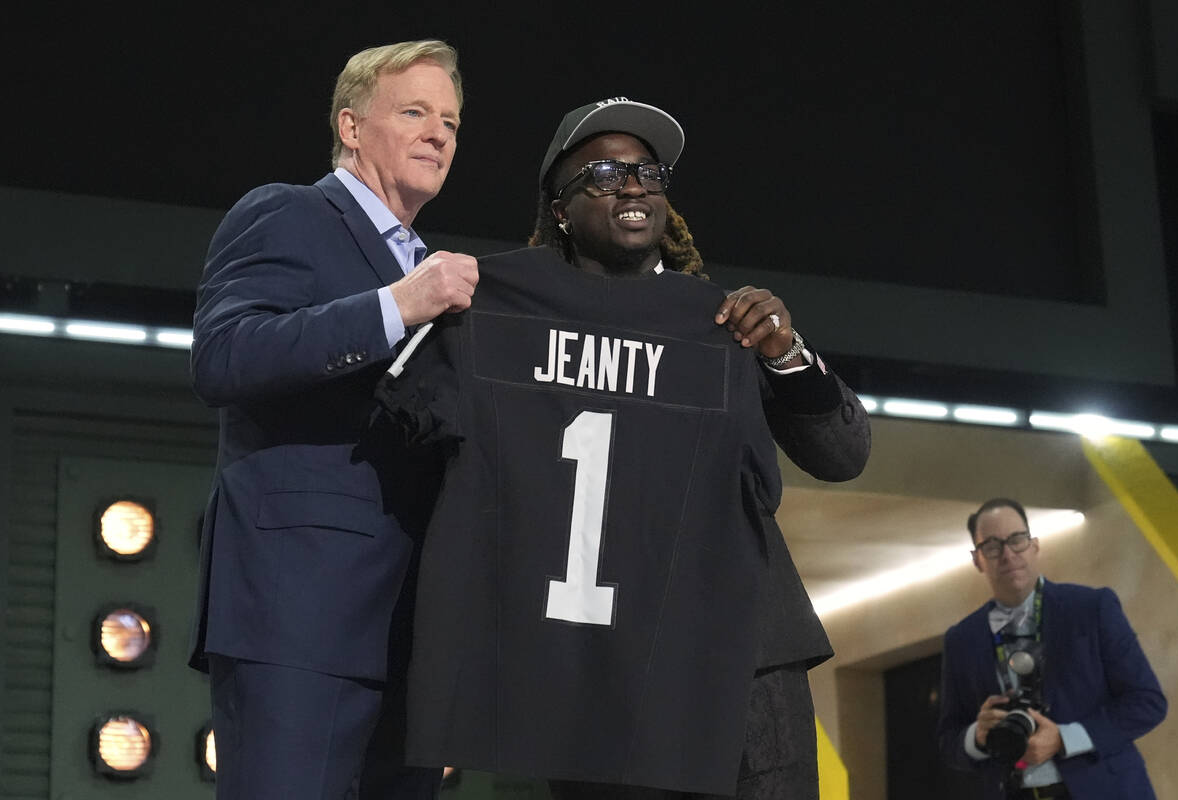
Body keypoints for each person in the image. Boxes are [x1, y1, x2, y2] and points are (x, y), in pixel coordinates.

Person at [374, 97, 870, 800]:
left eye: (649, 172)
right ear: (562, 209)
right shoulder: (491, 316)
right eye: (604, 173)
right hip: (592, 673)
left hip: (739, 659)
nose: (634, 185)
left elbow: (845, 455)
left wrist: (787, 354)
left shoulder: (726, 323)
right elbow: (402, 447)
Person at [188, 39, 478, 799]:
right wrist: (398, 305)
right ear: (351, 127)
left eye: (449, 120)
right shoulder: (287, 212)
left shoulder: (431, 269)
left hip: (412, 630)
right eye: (414, 112)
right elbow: (223, 356)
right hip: (299, 618)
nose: (439, 133)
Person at [936, 497, 1167, 800]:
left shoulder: (1091, 608)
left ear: (1034, 545)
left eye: (1016, 540)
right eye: (991, 546)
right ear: (977, 559)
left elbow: (1147, 702)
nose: (1007, 554)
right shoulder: (961, 640)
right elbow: (948, 739)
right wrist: (976, 737)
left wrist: (1064, 738)